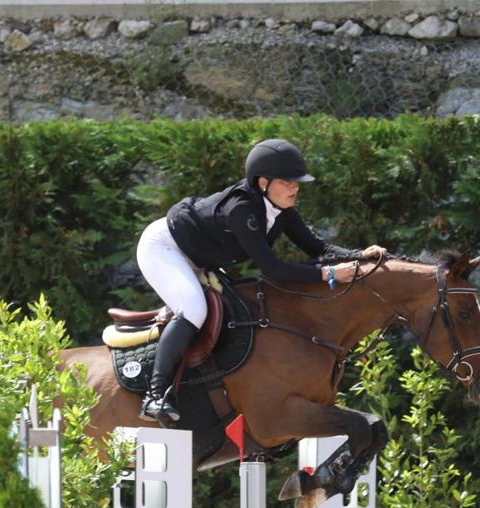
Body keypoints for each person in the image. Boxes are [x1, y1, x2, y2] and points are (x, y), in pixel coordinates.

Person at [135, 138, 385, 423]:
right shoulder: (242, 209)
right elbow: (272, 268)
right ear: (263, 182)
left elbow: (318, 248)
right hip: (165, 248)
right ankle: (154, 396)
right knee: (194, 309)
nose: (295, 187)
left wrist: (359, 255)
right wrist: (328, 274)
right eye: (288, 181)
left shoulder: (282, 210)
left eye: (297, 182)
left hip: (198, 256)